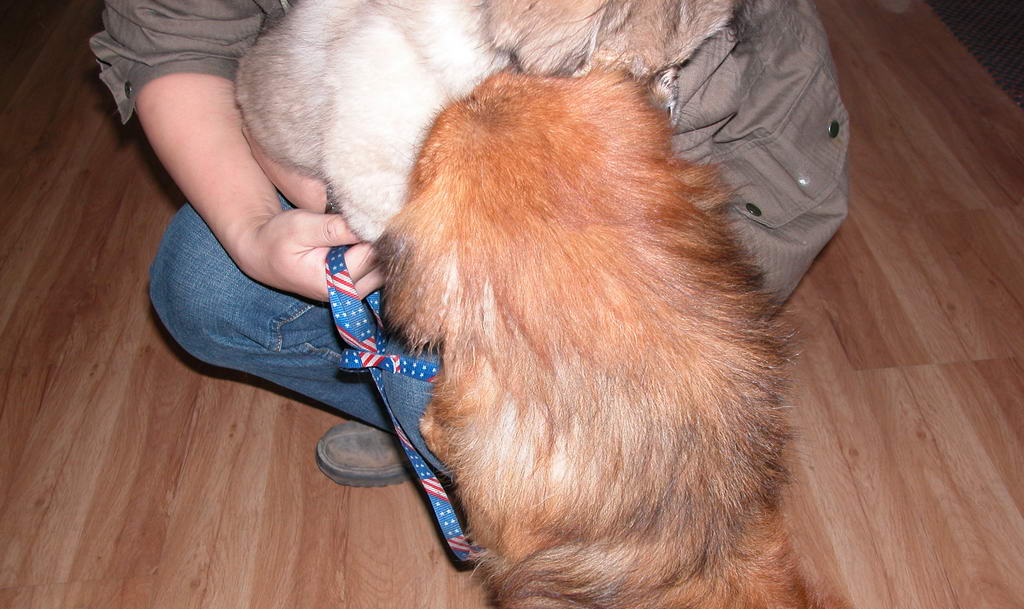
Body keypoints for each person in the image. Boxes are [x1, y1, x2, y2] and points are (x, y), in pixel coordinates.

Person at [89, 0, 848, 487]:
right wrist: (257, 225)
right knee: (207, 284)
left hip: (677, 189)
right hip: (406, 147)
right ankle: (427, 429)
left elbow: (726, 202)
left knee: (546, 405)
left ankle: (539, 461)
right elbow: (176, 32)